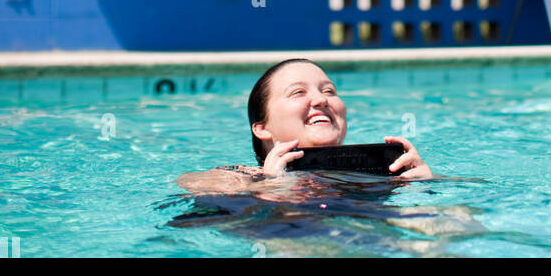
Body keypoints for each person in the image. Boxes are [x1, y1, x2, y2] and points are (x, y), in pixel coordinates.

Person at [177, 57, 432, 194]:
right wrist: (270, 187)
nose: (321, 99)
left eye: (329, 90)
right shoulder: (228, 180)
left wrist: (424, 188)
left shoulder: (377, 176)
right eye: (298, 92)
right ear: (262, 128)